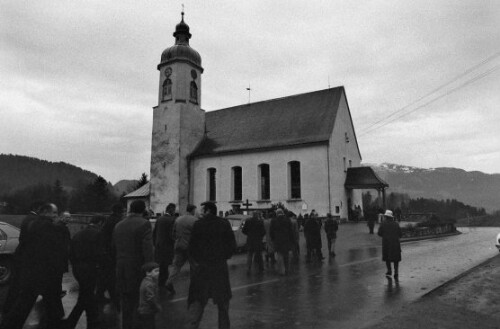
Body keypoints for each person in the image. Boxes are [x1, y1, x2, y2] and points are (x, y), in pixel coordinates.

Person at [0, 203, 65, 329]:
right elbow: (53, 251)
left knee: (26, 302)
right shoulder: (50, 227)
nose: (56, 216)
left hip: (32, 271)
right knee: (44, 302)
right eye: (54, 213)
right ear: (46, 212)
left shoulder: (32, 224)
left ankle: (10, 324)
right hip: (44, 273)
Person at [187, 201, 236, 329]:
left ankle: (193, 325)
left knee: (198, 303)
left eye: (203, 210)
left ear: (208, 210)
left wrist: (200, 260)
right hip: (219, 268)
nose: (201, 213)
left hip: (202, 268)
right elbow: (231, 246)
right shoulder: (224, 224)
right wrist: (222, 257)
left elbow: (191, 248)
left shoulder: (198, 225)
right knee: (223, 306)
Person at [113, 200, 154, 329]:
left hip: (121, 268)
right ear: (143, 210)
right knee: (139, 302)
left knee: (125, 301)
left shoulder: (119, 225)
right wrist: (150, 269)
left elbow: (113, 247)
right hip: (137, 268)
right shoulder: (144, 224)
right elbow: (147, 249)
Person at [65, 216, 106, 329]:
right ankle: (72, 322)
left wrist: (75, 264)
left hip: (78, 268)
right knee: (86, 296)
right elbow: (99, 253)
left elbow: (71, 252)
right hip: (90, 268)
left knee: (86, 294)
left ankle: (92, 320)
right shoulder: (98, 234)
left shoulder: (79, 234)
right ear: (100, 223)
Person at [2, 201, 42, 315]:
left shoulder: (29, 218)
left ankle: (9, 308)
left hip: (22, 254)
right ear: (37, 208)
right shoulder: (33, 220)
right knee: (20, 285)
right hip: (26, 256)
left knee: (17, 284)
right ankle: (13, 311)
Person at [97, 203, 124, 307]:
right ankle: (115, 297)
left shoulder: (109, 219)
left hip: (105, 250)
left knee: (105, 274)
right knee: (111, 275)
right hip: (111, 251)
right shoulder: (117, 221)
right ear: (120, 211)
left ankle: (100, 294)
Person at [165, 204, 199, 287]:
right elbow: (198, 235)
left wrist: (177, 240)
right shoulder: (195, 220)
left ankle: (169, 282)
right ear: (193, 210)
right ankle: (194, 285)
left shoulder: (178, 219)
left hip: (179, 245)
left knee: (176, 266)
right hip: (191, 247)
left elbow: (173, 233)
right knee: (194, 266)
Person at [153, 203, 176, 293]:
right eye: (174, 210)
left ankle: (161, 282)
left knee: (162, 265)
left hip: (159, 246)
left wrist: (155, 243)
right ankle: (168, 284)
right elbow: (172, 234)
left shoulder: (159, 219)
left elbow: (154, 232)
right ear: (171, 210)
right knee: (166, 266)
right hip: (167, 246)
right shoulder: (172, 220)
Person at [377, 210, 402, 280]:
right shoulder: (396, 224)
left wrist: (385, 236)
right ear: (391, 217)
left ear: (386, 217)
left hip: (386, 243)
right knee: (396, 259)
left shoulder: (383, 224)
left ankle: (389, 271)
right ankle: (396, 272)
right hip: (395, 243)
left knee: (387, 258)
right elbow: (400, 234)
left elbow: (379, 233)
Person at [270, 209, 294, 275]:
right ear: (283, 213)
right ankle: (287, 270)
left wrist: (273, 239)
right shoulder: (287, 220)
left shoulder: (273, 221)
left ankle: (281, 271)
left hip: (278, 241)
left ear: (277, 214)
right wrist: (292, 240)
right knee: (286, 256)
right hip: (286, 240)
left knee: (280, 255)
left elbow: (271, 232)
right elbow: (291, 231)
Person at [138, 262, 161, 329]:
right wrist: (157, 307)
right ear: (148, 273)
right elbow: (151, 298)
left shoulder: (146, 281)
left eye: (159, 270)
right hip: (147, 311)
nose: (158, 273)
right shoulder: (149, 284)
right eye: (156, 271)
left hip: (145, 310)